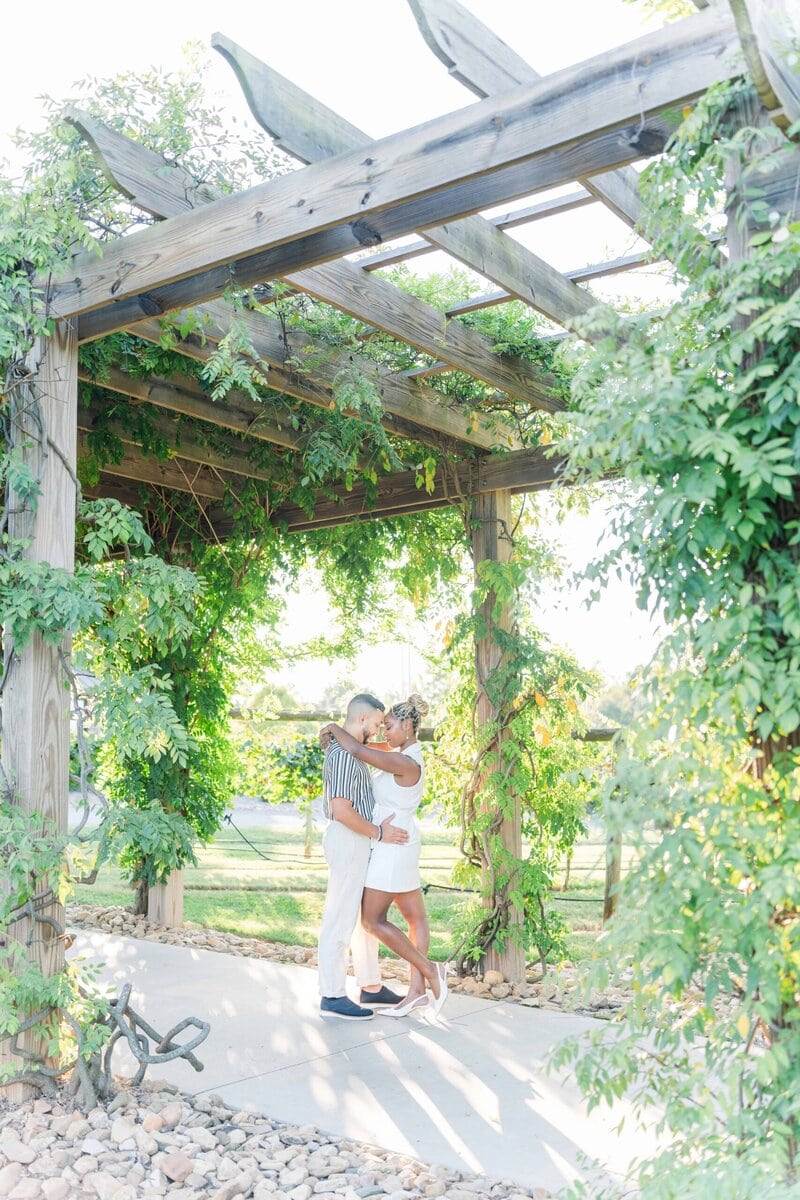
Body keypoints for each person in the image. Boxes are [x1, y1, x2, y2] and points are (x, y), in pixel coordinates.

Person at [320, 694, 450, 1019]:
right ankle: (344, 993)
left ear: (406, 726)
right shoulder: (391, 753)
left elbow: (361, 749)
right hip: (377, 840)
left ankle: (403, 979)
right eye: (381, 724)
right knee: (369, 918)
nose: (383, 732)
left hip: (387, 843)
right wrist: (339, 733)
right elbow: (367, 752)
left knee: (369, 920)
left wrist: (334, 727)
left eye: (387, 726)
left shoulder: (402, 761)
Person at [318, 692, 411, 1021]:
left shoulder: (354, 749)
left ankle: (370, 986)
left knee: (360, 916)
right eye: (377, 722)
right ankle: (332, 995)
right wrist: (379, 832)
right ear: (361, 718)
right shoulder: (344, 755)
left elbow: (386, 748)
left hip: (359, 841)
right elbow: (341, 810)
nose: (380, 728)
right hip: (348, 839)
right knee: (340, 916)